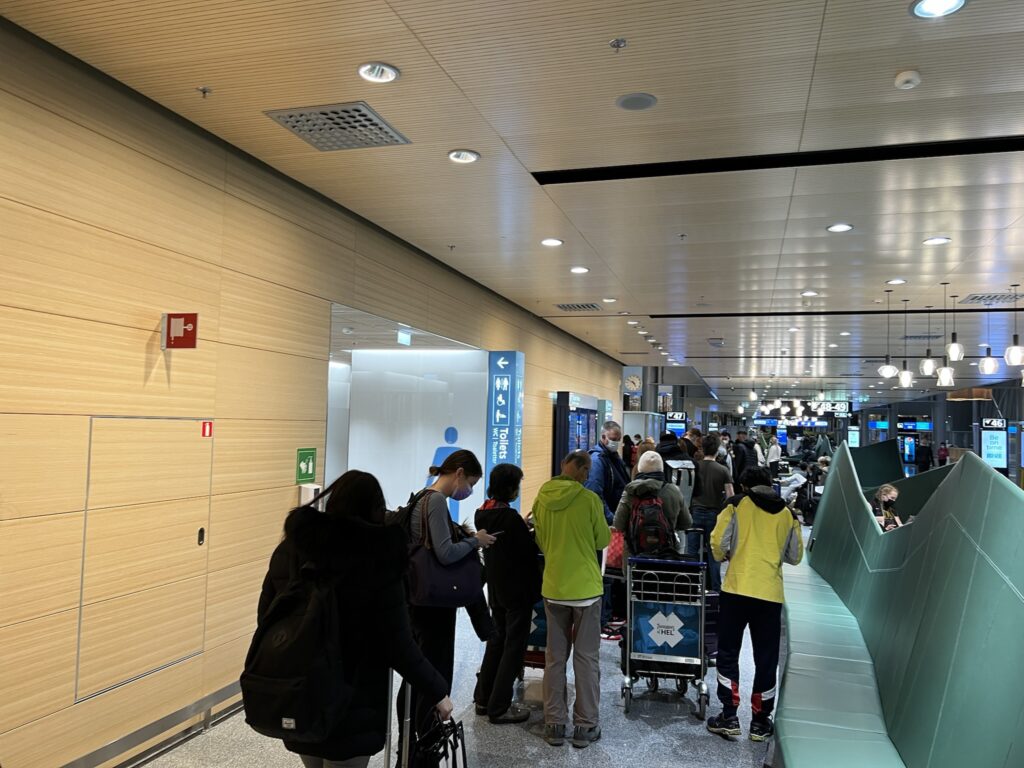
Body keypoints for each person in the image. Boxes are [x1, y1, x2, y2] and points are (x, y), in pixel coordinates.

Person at [257, 470, 454, 768]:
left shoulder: (292, 548)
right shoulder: (378, 558)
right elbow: (398, 642)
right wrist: (438, 691)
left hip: (300, 690)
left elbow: (268, 617)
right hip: (352, 699)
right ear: (375, 508)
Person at [398, 451, 496, 761]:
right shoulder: (437, 500)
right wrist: (475, 541)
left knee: (418, 674)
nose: (468, 490)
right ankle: (424, 746)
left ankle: (409, 743)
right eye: (470, 482)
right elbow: (444, 553)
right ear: (459, 473)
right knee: (435, 672)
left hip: (417, 600)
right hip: (435, 605)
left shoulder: (420, 498)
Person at [707, 467, 803, 743]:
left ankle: (729, 716)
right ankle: (760, 722)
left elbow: (717, 541)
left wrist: (724, 554)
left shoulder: (737, 505)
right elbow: (796, 555)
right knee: (766, 658)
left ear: (744, 486)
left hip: (736, 589)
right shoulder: (787, 513)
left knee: (728, 652)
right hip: (770, 595)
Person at [532, 451, 610, 749]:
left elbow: (540, 540)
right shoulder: (589, 500)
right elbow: (602, 540)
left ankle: (554, 724)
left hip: (553, 587)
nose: (588, 475)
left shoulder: (542, 498)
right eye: (586, 469)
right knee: (586, 658)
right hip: (586, 591)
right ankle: (585, 726)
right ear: (576, 468)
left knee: (554, 658)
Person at [473, 464, 540, 724]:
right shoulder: (510, 518)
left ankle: (482, 698)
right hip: (517, 591)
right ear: (510, 487)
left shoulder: (482, 513)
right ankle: (499, 706)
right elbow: (526, 550)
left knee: (497, 640)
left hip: (496, 589)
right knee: (514, 645)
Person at [584, 420, 631, 641]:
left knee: (611, 571)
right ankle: (602, 621)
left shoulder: (612, 458)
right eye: (612, 439)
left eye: (618, 439)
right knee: (605, 572)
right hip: (605, 524)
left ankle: (611, 614)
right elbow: (595, 494)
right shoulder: (597, 460)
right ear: (603, 437)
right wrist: (612, 519)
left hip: (612, 522)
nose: (615, 442)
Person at [613, 451, 692, 557]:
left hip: (635, 558)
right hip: (666, 556)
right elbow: (686, 523)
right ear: (662, 468)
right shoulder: (674, 491)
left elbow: (618, 524)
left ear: (639, 468)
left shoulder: (630, 491)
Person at [689, 434, 734, 591]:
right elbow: (730, 497)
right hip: (714, 515)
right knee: (714, 554)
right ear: (717, 450)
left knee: (691, 553)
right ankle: (715, 589)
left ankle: (691, 587)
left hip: (694, 513)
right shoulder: (723, 470)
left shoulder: (694, 467)